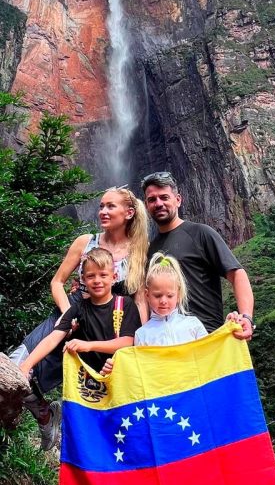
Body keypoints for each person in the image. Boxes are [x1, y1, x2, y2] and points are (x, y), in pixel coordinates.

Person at [9, 187, 148, 449]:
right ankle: (45, 413)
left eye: (110, 206)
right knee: (18, 364)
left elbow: (140, 300)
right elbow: (58, 282)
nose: (103, 212)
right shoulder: (86, 242)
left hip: (111, 324)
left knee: (98, 392)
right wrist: (66, 313)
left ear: (129, 213)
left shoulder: (140, 251)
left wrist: (139, 346)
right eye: (101, 206)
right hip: (72, 309)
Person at [20, 248, 141, 449]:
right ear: (83, 278)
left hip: (120, 383)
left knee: (121, 438)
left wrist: (88, 345)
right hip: (88, 389)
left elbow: (129, 342)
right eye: (91, 276)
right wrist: (26, 366)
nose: (97, 280)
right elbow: (53, 338)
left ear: (114, 276)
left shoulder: (125, 304)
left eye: (103, 275)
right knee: (89, 441)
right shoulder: (78, 308)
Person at [141, 171, 255, 340]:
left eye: (164, 197)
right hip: (168, 344)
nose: (158, 203)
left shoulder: (200, 234)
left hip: (207, 336)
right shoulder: (150, 249)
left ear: (178, 200)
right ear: (146, 205)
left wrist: (246, 316)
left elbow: (237, 274)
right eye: (152, 199)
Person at [101, 251, 207, 375]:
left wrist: (230, 328)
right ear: (147, 295)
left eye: (169, 296)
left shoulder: (192, 325)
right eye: (157, 295)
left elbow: (211, 354)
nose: (163, 301)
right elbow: (139, 371)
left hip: (192, 389)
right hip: (162, 392)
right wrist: (116, 368)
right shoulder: (142, 334)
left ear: (178, 295)